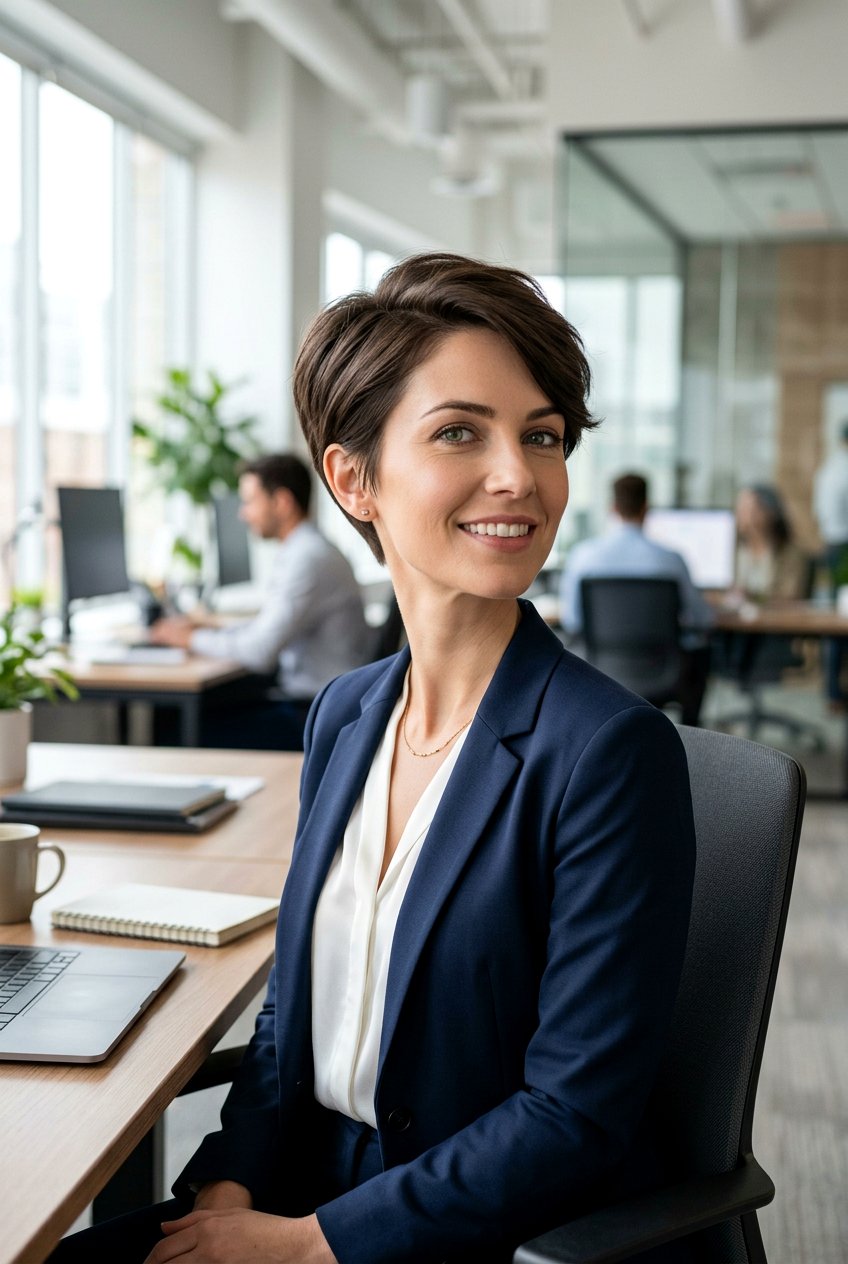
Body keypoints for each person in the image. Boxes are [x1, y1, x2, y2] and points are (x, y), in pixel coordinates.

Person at [52, 254, 696, 1264]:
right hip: (307, 1189)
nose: (518, 475)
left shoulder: (606, 752)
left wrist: (307, 1245)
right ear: (352, 478)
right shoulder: (347, 715)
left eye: (541, 435)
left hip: (480, 1231)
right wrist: (225, 1191)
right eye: (458, 432)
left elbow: (573, 1115)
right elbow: (290, 1029)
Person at [150, 453, 370, 750]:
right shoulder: (307, 549)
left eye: (250, 501)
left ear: (281, 502)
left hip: (313, 714)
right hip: (320, 703)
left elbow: (260, 650)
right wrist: (205, 630)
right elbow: (267, 629)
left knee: (171, 728)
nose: (242, 514)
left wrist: (191, 639)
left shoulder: (307, 558)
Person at [559, 472, 714, 725]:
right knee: (702, 652)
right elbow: (702, 619)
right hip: (665, 672)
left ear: (612, 508)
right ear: (646, 509)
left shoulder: (583, 557)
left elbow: (572, 621)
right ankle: (692, 736)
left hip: (601, 671)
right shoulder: (671, 560)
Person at [813, 422, 848, 704]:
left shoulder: (829, 468)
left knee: (838, 615)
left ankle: (831, 686)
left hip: (830, 544)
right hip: (844, 547)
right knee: (842, 620)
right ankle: (834, 688)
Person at [732, 484, 808, 601]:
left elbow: (790, 595)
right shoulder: (732, 550)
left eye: (749, 509)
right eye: (739, 509)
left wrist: (752, 597)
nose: (741, 515)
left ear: (769, 513)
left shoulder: (791, 554)